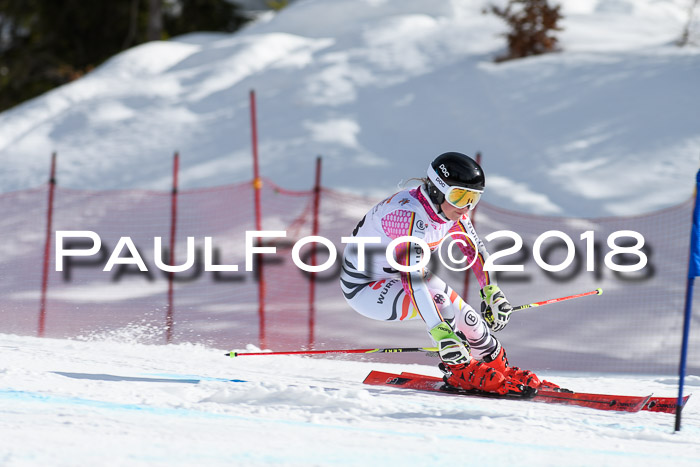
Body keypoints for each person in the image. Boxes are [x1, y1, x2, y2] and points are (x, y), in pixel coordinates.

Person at [340, 152, 545, 395]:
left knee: (472, 321)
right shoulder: (406, 216)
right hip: (367, 288)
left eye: (473, 198)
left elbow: (475, 251)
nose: (467, 206)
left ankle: (497, 368)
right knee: (441, 304)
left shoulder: (449, 211)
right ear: (438, 189)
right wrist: (441, 334)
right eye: (460, 196)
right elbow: (412, 281)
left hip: (399, 275)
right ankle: (460, 371)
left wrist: (492, 292)